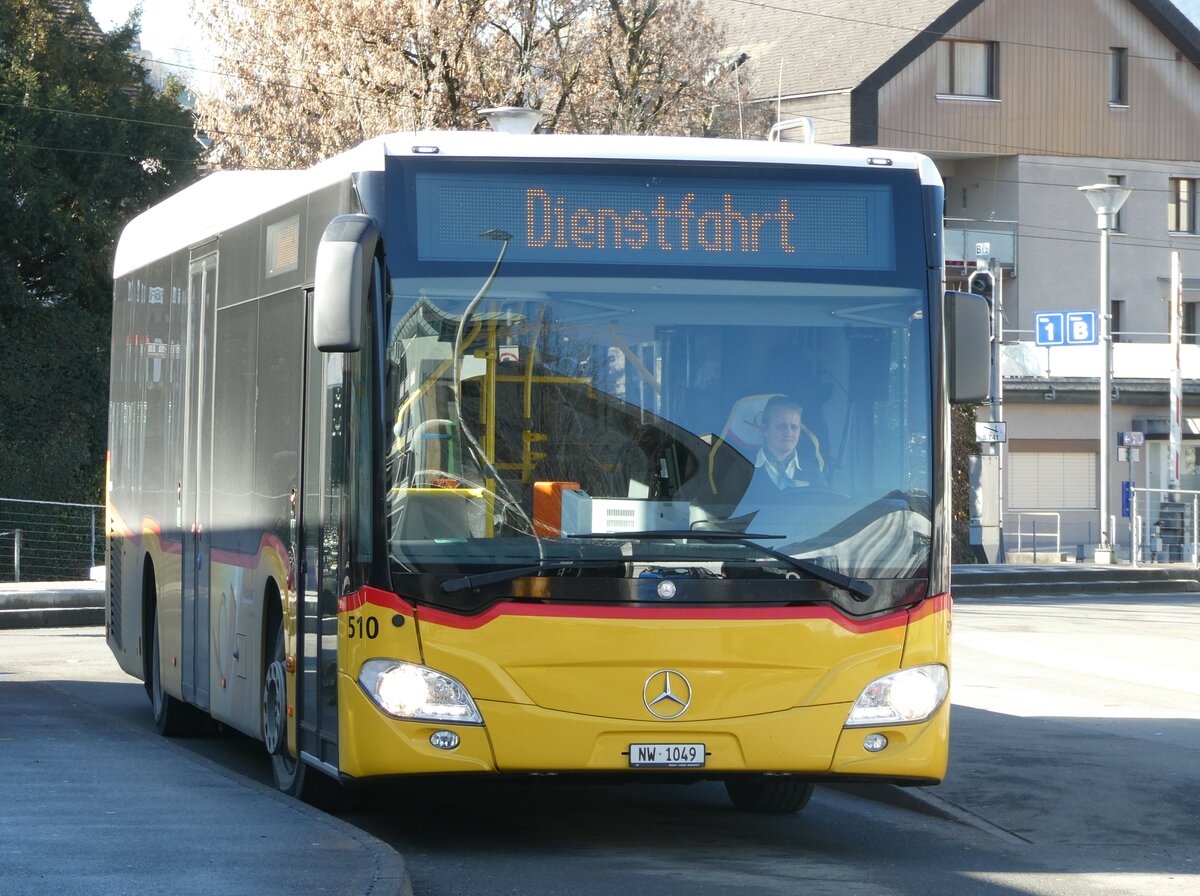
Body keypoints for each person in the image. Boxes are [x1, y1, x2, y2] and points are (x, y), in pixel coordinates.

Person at [753, 395, 827, 489]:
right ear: (764, 430)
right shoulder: (741, 469)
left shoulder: (814, 474)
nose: (788, 433)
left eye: (794, 427)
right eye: (782, 426)